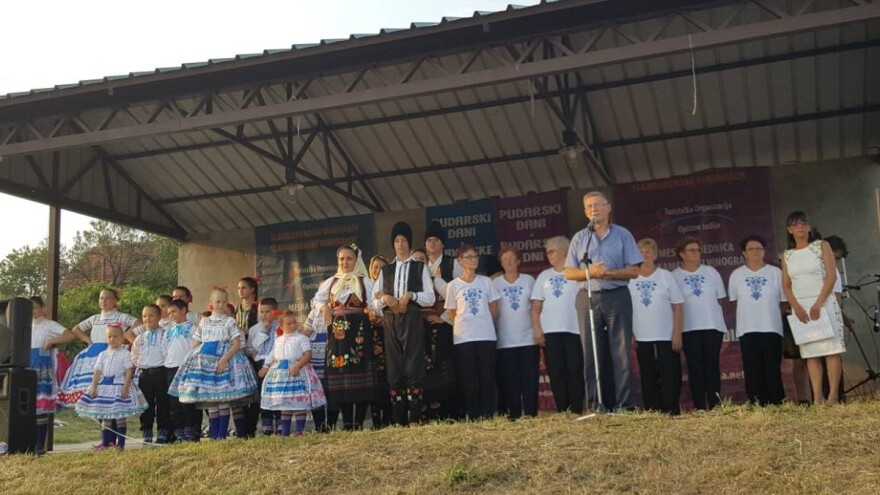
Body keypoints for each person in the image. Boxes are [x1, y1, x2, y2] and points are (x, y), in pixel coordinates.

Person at [564, 192, 642, 411]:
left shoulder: (623, 235)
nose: (593, 209)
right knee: (591, 354)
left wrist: (612, 273)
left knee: (620, 353)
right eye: (588, 206)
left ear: (608, 208)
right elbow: (569, 272)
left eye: (598, 205)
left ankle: (625, 406)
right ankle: (595, 405)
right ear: (584, 211)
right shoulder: (581, 238)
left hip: (616, 295)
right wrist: (591, 272)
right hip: (587, 297)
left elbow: (635, 271)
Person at [169, 287, 258, 440]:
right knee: (211, 400)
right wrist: (198, 359)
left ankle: (221, 435)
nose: (221, 305)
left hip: (225, 360)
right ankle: (214, 434)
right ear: (211, 303)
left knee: (222, 398)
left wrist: (224, 359)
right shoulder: (205, 321)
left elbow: (236, 343)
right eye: (218, 301)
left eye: (224, 302)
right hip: (206, 362)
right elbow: (196, 342)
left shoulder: (229, 321)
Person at [372, 221, 436, 425]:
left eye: (404, 240)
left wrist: (411, 295)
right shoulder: (386, 270)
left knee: (413, 366)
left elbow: (430, 297)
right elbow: (373, 302)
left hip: (412, 319)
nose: (400, 244)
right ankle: (399, 420)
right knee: (394, 368)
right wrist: (386, 299)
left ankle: (415, 417)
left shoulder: (419, 267)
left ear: (409, 243)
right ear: (393, 244)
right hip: (391, 321)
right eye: (397, 241)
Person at [781, 211, 846, 404]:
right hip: (801, 306)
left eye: (803, 223)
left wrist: (819, 303)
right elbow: (786, 284)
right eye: (795, 224)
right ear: (789, 230)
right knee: (811, 352)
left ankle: (833, 395)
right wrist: (797, 307)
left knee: (831, 349)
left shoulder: (821, 246)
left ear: (809, 227)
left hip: (823, 302)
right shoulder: (788, 255)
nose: (800, 227)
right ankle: (817, 396)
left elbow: (831, 276)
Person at [314, 243, 377, 430]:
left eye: (349, 258)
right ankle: (348, 422)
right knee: (341, 375)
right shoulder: (331, 282)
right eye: (341, 258)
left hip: (358, 331)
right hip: (337, 333)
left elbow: (375, 305)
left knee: (359, 372)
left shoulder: (364, 281)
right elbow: (316, 300)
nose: (345, 262)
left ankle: (358, 422)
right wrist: (324, 307)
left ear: (356, 260)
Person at [53, 288, 140, 406]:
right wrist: (88, 340)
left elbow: (138, 323)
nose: (103, 301)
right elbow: (76, 329)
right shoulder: (95, 318)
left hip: (114, 352)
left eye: (107, 298)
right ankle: (90, 399)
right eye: (101, 298)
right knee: (93, 377)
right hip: (95, 351)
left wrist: (124, 336)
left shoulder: (121, 317)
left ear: (115, 301)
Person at [728, 235, 786, 406]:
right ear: (744, 253)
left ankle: (776, 402)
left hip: (771, 327)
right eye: (751, 249)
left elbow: (783, 301)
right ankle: (756, 401)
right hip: (748, 328)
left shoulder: (775, 273)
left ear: (764, 252)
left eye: (758, 248)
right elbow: (734, 302)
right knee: (752, 367)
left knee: (772, 366)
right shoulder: (736, 275)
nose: (755, 251)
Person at [629, 238, 684, 415]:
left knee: (669, 373)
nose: (645, 255)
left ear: (655, 255)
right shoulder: (629, 277)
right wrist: (631, 334)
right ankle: (652, 410)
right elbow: (625, 308)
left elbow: (678, 305)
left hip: (665, 334)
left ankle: (670, 409)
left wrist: (677, 334)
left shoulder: (665, 276)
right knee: (647, 374)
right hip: (641, 334)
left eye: (649, 252)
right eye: (641, 252)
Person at [445, 244, 500, 420]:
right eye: (469, 257)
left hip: (485, 335)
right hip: (464, 337)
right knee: (469, 377)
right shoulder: (453, 286)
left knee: (486, 375)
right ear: (460, 261)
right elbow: (452, 312)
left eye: (476, 256)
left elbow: (493, 306)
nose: (474, 259)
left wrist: (482, 321)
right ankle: (474, 414)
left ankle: (488, 414)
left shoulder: (486, 281)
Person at [672, 236, 728, 411]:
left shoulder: (711, 272)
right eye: (691, 250)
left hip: (712, 326)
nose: (696, 253)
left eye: (698, 250)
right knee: (695, 367)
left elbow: (721, 299)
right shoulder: (674, 276)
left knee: (712, 365)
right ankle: (699, 407)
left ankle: (715, 405)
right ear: (682, 254)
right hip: (688, 328)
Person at [533, 236, 586, 414]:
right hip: (551, 331)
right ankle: (563, 410)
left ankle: (577, 409)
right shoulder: (544, 276)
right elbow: (536, 307)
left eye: (552, 251)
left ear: (563, 251)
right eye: (547, 252)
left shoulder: (576, 272)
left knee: (575, 369)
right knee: (556, 371)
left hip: (574, 329)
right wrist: (538, 330)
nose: (548, 255)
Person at [75, 324, 148, 451]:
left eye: (115, 336)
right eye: (109, 336)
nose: (112, 339)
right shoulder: (103, 354)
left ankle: (120, 444)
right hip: (104, 387)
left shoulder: (125, 353)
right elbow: (97, 371)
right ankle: (106, 442)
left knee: (119, 416)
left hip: (119, 386)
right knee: (105, 415)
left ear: (121, 338)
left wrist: (125, 387)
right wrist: (93, 386)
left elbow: (128, 371)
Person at [258, 310, 327, 436]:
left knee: (299, 403)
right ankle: (285, 432)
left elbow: (307, 355)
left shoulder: (302, 338)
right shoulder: (278, 340)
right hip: (281, 374)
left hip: (298, 372)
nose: (293, 325)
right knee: (285, 404)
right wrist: (266, 366)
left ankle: (299, 431)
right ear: (281, 326)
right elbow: (272, 354)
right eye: (289, 323)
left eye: (294, 322)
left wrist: (298, 366)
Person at [493, 246, 539, 419]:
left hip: (528, 337)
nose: (509, 262)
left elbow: (536, 306)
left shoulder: (528, 280)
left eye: (513, 259)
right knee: (510, 379)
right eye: (505, 259)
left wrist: (537, 330)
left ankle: (531, 413)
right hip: (505, 340)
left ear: (519, 261)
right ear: (501, 263)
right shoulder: (495, 284)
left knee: (530, 378)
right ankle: (514, 414)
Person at [411, 248, 456, 422]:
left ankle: (437, 413)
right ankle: (420, 412)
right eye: (415, 260)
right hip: (413, 331)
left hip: (433, 331)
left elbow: (454, 299)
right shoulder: (404, 282)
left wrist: (442, 318)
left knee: (436, 370)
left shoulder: (434, 279)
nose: (419, 263)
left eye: (422, 260)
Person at [30, 295, 66, 454]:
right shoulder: (25, 324)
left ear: (42, 308)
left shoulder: (49, 325)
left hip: (42, 367)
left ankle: (39, 445)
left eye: (34, 307)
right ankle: (28, 443)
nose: (32, 311)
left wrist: (52, 341)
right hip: (27, 367)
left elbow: (69, 334)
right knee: (27, 406)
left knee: (41, 407)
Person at [162, 298, 201, 442]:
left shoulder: (192, 328)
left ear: (184, 310)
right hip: (171, 368)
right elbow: (164, 349)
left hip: (186, 368)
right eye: (169, 313)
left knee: (188, 401)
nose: (171, 315)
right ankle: (179, 433)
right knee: (175, 403)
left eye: (174, 312)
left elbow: (195, 347)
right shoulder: (168, 331)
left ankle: (192, 432)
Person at [131, 304, 171, 443]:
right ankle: (146, 431)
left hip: (160, 372)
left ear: (159, 317)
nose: (147, 319)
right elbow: (134, 356)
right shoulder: (140, 338)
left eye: (151, 315)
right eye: (144, 316)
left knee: (163, 403)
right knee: (146, 404)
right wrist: (142, 366)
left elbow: (167, 353)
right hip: (145, 374)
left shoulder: (165, 334)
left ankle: (163, 431)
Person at [247, 297, 280, 435]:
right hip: (260, 363)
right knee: (263, 395)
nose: (264, 315)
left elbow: (279, 346)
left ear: (275, 312)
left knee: (277, 394)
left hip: (275, 363)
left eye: (268, 311)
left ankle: (280, 423)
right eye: (262, 311)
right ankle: (266, 426)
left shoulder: (280, 327)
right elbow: (252, 348)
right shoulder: (255, 329)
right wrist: (263, 332)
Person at [367, 254, 391, 428]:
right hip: (368, 338)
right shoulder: (363, 285)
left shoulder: (390, 287)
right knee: (373, 378)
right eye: (375, 267)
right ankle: (375, 420)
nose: (378, 271)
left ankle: (389, 417)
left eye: (382, 268)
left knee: (388, 377)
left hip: (387, 336)